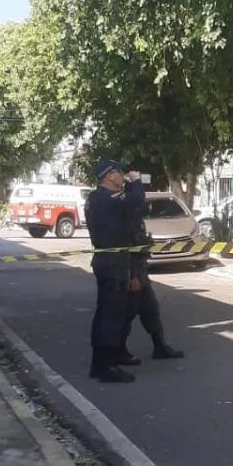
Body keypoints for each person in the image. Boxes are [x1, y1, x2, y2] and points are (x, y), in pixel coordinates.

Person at [83, 159, 143, 383]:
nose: (123, 175)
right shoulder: (109, 199)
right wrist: (136, 182)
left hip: (105, 260)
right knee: (112, 316)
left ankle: (99, 364)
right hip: (113, 263)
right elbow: (136, 201)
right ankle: (107, 367)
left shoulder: (95, 199)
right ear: (109, 176)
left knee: (103, 315)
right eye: (119, 172)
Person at [117, 189, 184, 365]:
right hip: (132, 272)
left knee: (151, 309)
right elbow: (124, 252)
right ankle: (119, 350)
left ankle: (160, 346)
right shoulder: (124, 221)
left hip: (141, 270)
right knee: (127, 314)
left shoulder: (136, 220)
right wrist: (132, 276)